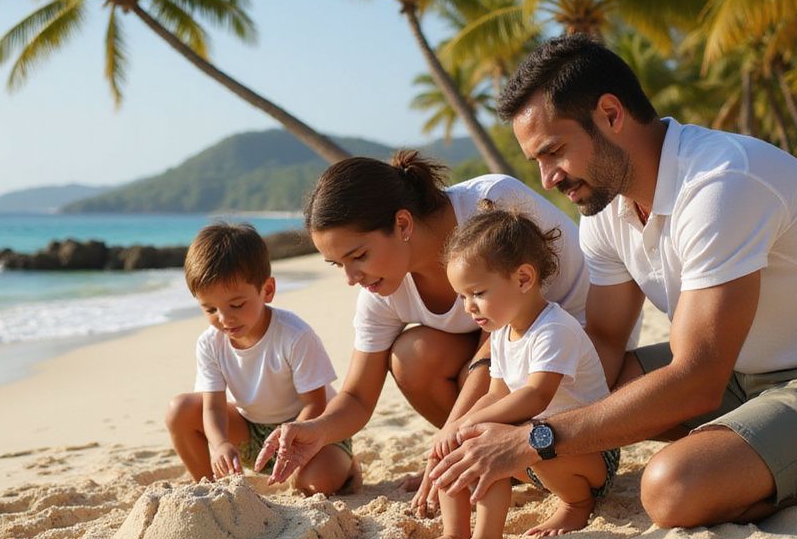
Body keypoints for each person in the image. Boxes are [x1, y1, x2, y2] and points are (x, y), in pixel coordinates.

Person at [430, 34, 797, 528]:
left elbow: (697, 378)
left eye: (554, 151)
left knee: (672, 488)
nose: (548, 178)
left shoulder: (720, 183)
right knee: (594, 379)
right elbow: (605, 343)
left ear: (611, 114)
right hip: (745, 374)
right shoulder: (606, 207)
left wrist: (535, 440)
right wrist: (515, 421)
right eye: (537, 161)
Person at [253, 150, 589, 499]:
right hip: (508, 371)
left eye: (358, 256)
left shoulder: (492, 205)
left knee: (465, 372)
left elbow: (501, 342)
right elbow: (356, 396)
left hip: (569, 359)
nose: (352, 278)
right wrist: (317, 429)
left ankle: (495, 459)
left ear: (402, 224)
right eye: (339, 265)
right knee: (412, 355)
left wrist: (446, 443)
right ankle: (491, 461)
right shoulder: (379, 289)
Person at [405, 204, 617, 539]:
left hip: (587, 451)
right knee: (461, 441)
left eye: (478, 293)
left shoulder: (554, 329)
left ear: (522, 279)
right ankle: (455, 533)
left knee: (484, 431)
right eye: (462, 297)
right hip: (535, 448)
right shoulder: (502, 332)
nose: (469, 307)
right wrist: (457, 427)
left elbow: (536, 396)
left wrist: (473, 424)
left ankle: (564, 508)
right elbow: (495, 392)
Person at [165, 222, 356, 495]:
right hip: (252, 429)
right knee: (179, 410)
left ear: (267, 290)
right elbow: (214, 408)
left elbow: (315, 404)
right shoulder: (211, 342)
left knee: (315, 485)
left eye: (236, 305)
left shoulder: (294, 335)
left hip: (311, 430)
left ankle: (349, 466)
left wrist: (289, 444)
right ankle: (212, 491)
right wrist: (219, 444)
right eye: (210, 308)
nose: (224, 318)